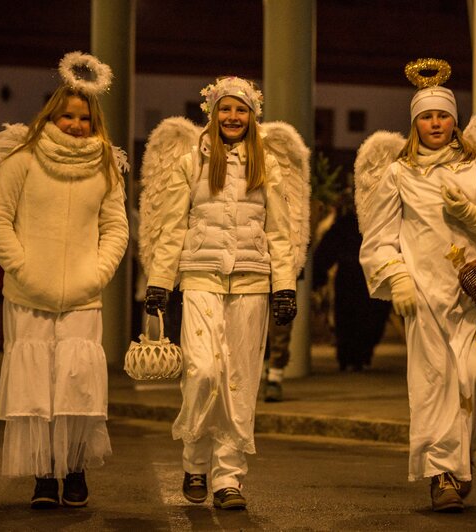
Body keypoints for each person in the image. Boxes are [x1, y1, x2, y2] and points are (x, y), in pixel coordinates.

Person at [357, 59, 476, 512]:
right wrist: (398, 277)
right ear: (415, 123)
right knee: (433, 384)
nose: (435, 123)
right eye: (426, 116)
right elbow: (378, 239)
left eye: (443, 115)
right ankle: (442, 475)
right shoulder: (399, 173)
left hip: (475, 294)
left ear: (455, 120)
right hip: (424, 295)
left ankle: (463, 456)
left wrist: (473, 215)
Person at [0, 52, 129, 509]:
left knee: (76, 383)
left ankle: (75, 470)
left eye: (84, 117)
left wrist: (97, 271)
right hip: (28, 294)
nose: (76, 124)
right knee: (37, 385)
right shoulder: (22, 160)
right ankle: (44, 476)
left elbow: (117, 227)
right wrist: (23, 267)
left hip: (83, 296)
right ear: (51, 114)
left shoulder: (105, 165)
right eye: (68, 115)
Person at [143, 76, 298, 510]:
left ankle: (229, 478)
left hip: (252, 282)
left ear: (252, 115)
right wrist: (159, 280)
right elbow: (171, 225)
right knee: (204, 372)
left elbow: (281, 233)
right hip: (199, 279)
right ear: (213, 112)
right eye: (226, 109)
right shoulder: (191, 160)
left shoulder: (267, 163)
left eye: (241, 109)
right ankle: (194, 460)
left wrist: (284, 286)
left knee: (241, 383)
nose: (233, 117)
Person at [312, 191, 391, 372]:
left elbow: (327, 249)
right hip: (355, 276)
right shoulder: (352, 224)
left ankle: (357, 355)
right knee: (353, 318)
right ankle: (352, 356)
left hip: (363, 276)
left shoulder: (351, 224)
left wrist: (318, 275)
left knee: (362, 318)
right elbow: (328, 249)